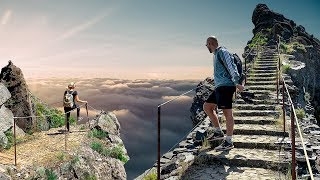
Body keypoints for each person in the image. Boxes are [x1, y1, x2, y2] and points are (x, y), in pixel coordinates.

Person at [204, 36, 244, 151]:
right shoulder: (216, 54)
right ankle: (218, 132)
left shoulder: (223, 51)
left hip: (226, 87)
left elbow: (231, 67)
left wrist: (237, 83)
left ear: (210, 43)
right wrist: (214, 79)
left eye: (207, 45)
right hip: (220, 86)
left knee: (227, 113)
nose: (207, 47)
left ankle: (229, 141)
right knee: (207, 107)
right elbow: (222, 70)